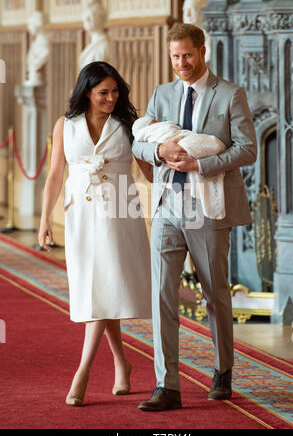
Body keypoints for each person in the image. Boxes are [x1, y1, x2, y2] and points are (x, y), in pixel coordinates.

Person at [132, 23, 257, 411]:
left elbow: (248, 149)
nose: (181, 63)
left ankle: (222, 371)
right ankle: (166, 385)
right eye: (174, 56)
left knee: (214, 294)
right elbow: (139, 140)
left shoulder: (231, 94)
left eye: (187, 54)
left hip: (208, 205)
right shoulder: (161, 93)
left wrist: (201, 164)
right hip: (169, 204)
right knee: (162, 294)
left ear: (202, 52)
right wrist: (161, 150)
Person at [38, 61, 151, 406]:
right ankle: (122, 363)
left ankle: (82, 373)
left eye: (116, 91)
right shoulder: (65, 125)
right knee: (100, 286)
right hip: (82, 216)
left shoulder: (128, 124)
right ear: (86, 91)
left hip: (119, 213)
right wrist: (45, 219)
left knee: (104, 286)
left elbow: (148, 170)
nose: (112, 98)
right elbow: (56, 174)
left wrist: (160, 144)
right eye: (104, 92)